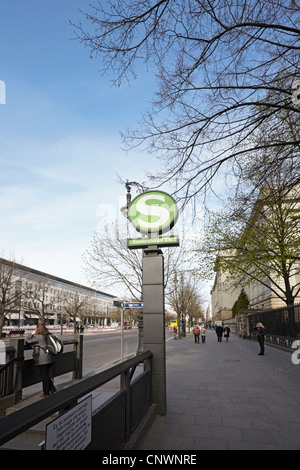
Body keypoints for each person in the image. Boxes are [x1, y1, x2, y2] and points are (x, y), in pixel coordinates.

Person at [25, 323, 57, 397]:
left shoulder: (38, 337)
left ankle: (46, 393)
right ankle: (53, 390)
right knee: (46, 375)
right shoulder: (49, 335)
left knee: (44, 376)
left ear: (38, 329)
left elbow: (27, 341)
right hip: (50, 357)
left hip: (42, 359)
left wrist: (32, 334)